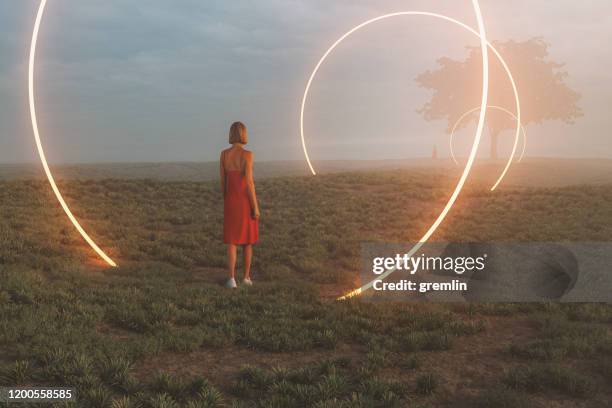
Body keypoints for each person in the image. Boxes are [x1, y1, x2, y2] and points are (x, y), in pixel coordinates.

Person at [220, 122, 260, 288]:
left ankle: (231, 279)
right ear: (244, 134)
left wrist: (227, 199)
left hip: (230, 200)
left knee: (232, 241)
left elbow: (223, 182)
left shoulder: (224, 154)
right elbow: (249, 183)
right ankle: (246, 278)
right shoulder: (248, 155)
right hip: (244, 201)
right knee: (247, 241)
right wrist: (255, 206)